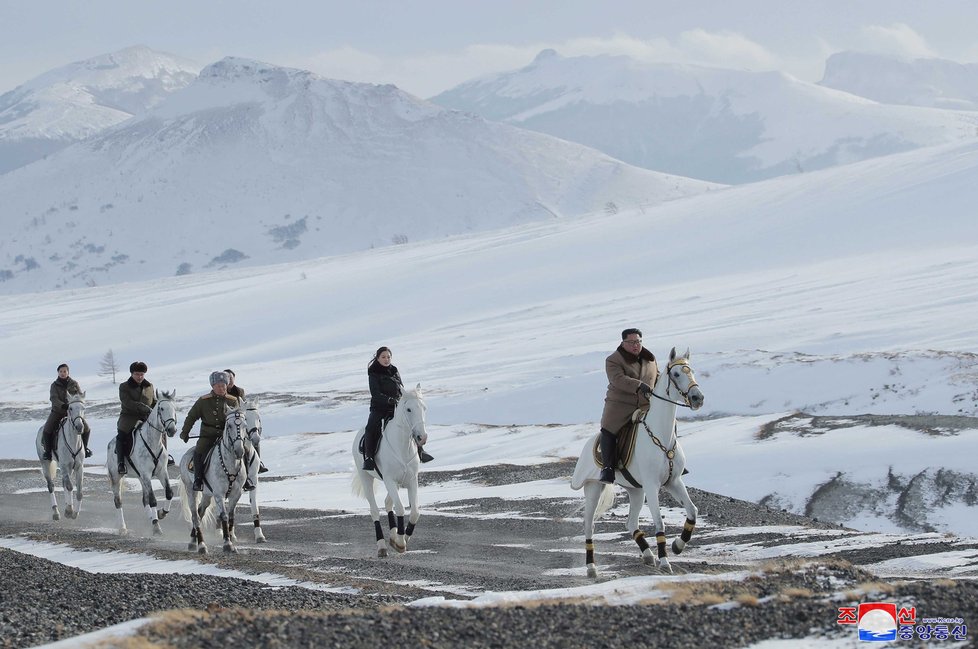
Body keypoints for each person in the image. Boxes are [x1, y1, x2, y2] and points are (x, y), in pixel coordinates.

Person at [598, 328, 658, 484]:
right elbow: (617, 379)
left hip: (645, 404)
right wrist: (639, 385)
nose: (635, 345)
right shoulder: (613, 360)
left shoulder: (650, 358)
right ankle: (608, 468)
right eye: (631, 342)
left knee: (666, 423)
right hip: (620, 404)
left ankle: (671, 458)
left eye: (638, 341)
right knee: (608, 429)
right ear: (623, 343)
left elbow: (657, 377)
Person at [361, 346, 433, 471]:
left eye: (388, 357)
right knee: (370, 428)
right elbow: (375, 394)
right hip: (379, 408)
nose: (386, 359)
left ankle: (421, 451)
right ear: (377, 358)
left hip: (396, 407)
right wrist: (389, 400)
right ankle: (369, 458)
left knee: (410, 423)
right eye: (383, 357)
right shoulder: (373, 373)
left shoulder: (394, 370)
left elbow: (400, 387)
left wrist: (402, 399)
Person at [180, 371, 245, 492]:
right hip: (208, 436)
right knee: (199, 451)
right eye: (218, 386)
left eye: (224, 386)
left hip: (228, 436)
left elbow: (238, 419)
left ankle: (245, 480)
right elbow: (191, 417)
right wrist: (185, 432)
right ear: (212, 386)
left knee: (242, 450)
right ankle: (198, 479)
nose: (222, 388)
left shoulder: (233, 401)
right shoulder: (203, 401)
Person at [41, 363, 92, 460]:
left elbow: (79, 396)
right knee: (47, 429)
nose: (63, 373)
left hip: (73, 413)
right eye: (61, 371)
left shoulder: (74, 383)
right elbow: (54, 398)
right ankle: (48, 452)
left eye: (65, 371)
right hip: (58, 411)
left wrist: (79, 403)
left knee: (87, 428)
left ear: (68, 372)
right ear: (58, 373)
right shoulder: (54, 385)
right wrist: (63, 405)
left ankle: (85, 448)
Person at [223, 368, 267, 473]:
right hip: (226, 422)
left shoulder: (240, 391)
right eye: (227, 378)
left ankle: (258, 462)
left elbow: (243, 406)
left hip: (239, 421)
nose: (229, 380)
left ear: (234, 378)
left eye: (231, 377)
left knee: (253, 437)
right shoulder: (220, 390)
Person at [116, 361, 155, 475]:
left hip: (147, 417)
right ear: (132, 374)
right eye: (137, 374)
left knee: (160, 430)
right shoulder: (124, 386)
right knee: (121, 435)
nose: (140, 377)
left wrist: (155, 409)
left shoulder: (149, 386)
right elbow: (127, 402)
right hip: (129, 417)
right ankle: (121, 462)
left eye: (142, 374)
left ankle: (165, 457)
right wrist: (143, 407)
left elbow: (154, 401)